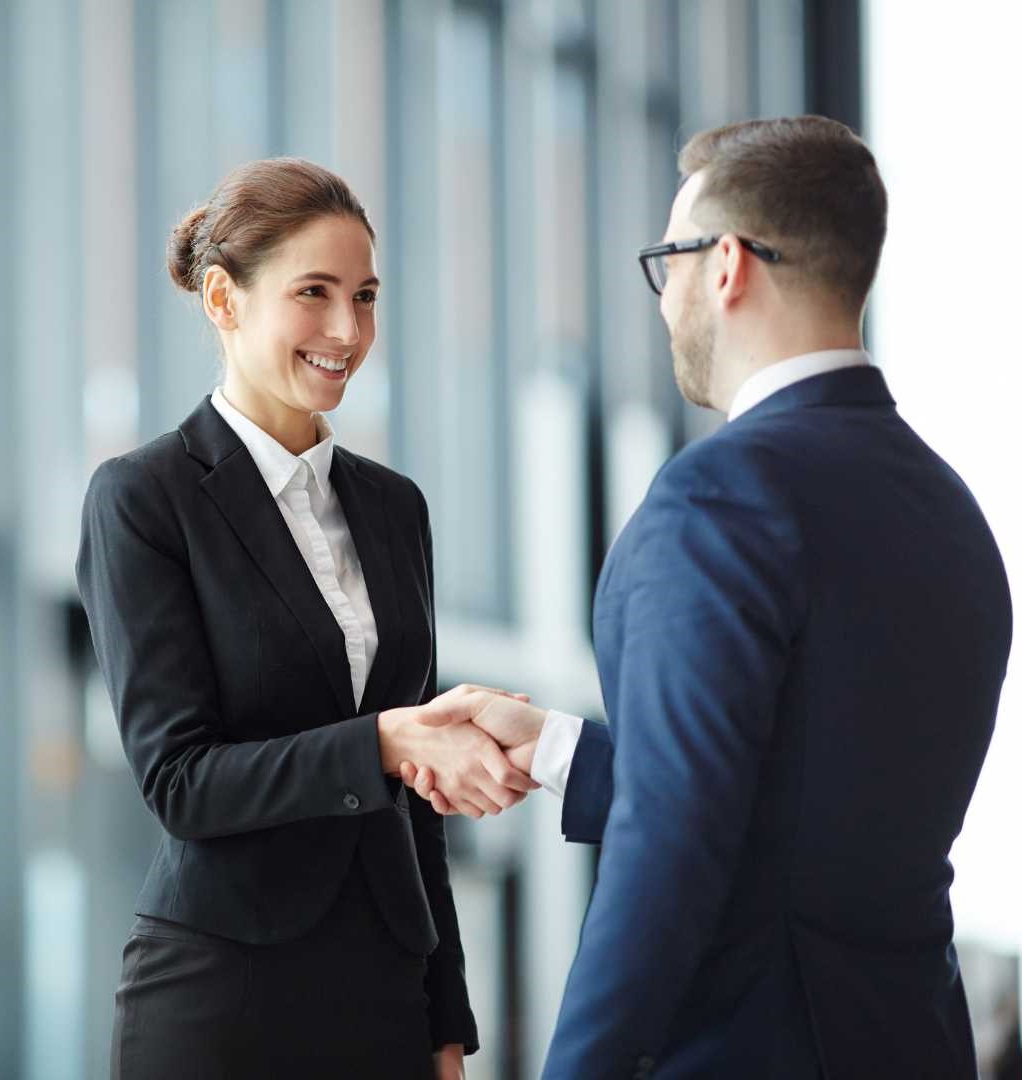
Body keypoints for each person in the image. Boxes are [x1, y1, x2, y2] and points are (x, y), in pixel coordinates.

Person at [406, 116, 1013, 1078]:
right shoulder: (954, 514)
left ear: (726, 264)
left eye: (669, 262)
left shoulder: (719, 497)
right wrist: (562, 751)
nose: (663, 300)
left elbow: (672, 855)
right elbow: (796, 816)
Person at [75, 157, 538, 1078]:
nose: (346, 330)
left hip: (385, 995)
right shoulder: (145, 498)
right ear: (223, 299)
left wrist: (447, 1024)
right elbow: (181, 781)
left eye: (364, 296)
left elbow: (421, 808)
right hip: (222, 995)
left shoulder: (395, 507)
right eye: (314, 293)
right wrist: (384, 743)